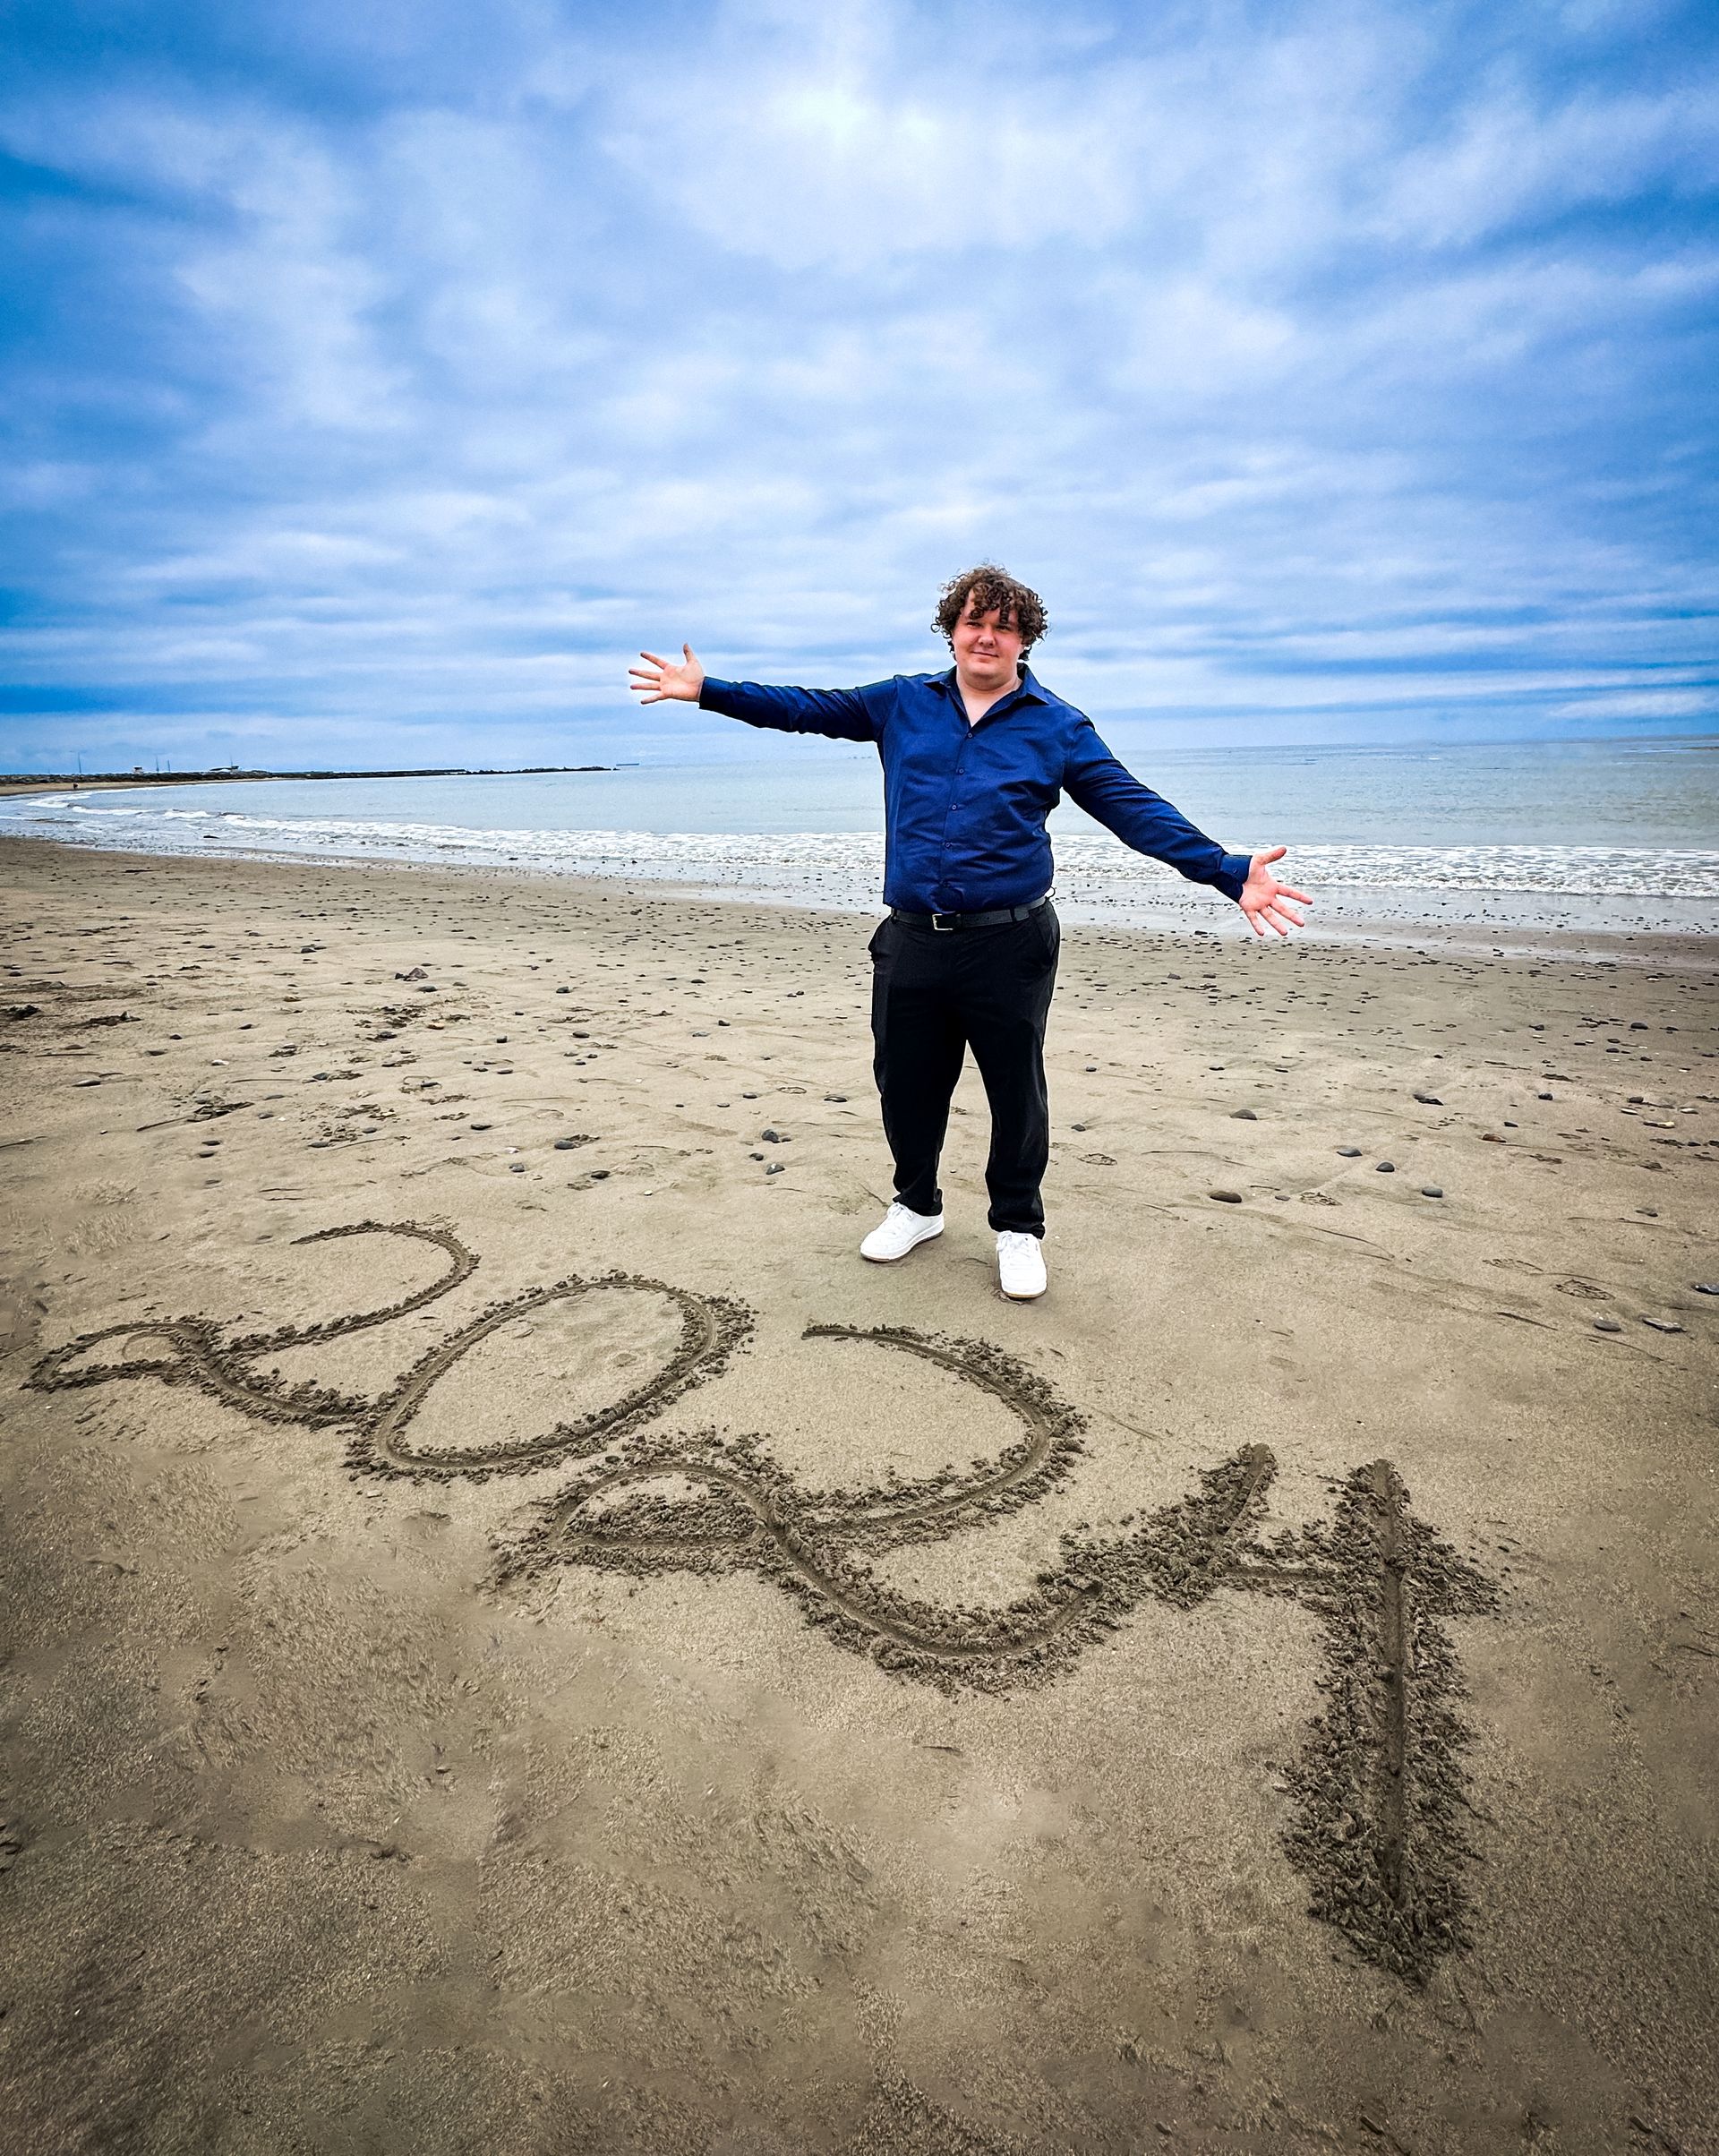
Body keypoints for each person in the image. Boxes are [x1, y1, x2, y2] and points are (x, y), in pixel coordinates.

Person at [629, 564, 1309, 1302]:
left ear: (1025, 638)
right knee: (905, 1085)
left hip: (1009, 942)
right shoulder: (901, 703)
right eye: (974, 622)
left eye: (1004, 626)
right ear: (952, 631)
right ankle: (916, 1205)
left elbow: (1130, 807)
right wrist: (710, 692)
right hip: (913, 937)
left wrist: (1226, 869)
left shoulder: (1058, 725)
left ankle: (1017, 1227)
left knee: (1017, 1090)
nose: (987, 637)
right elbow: (805, 708)